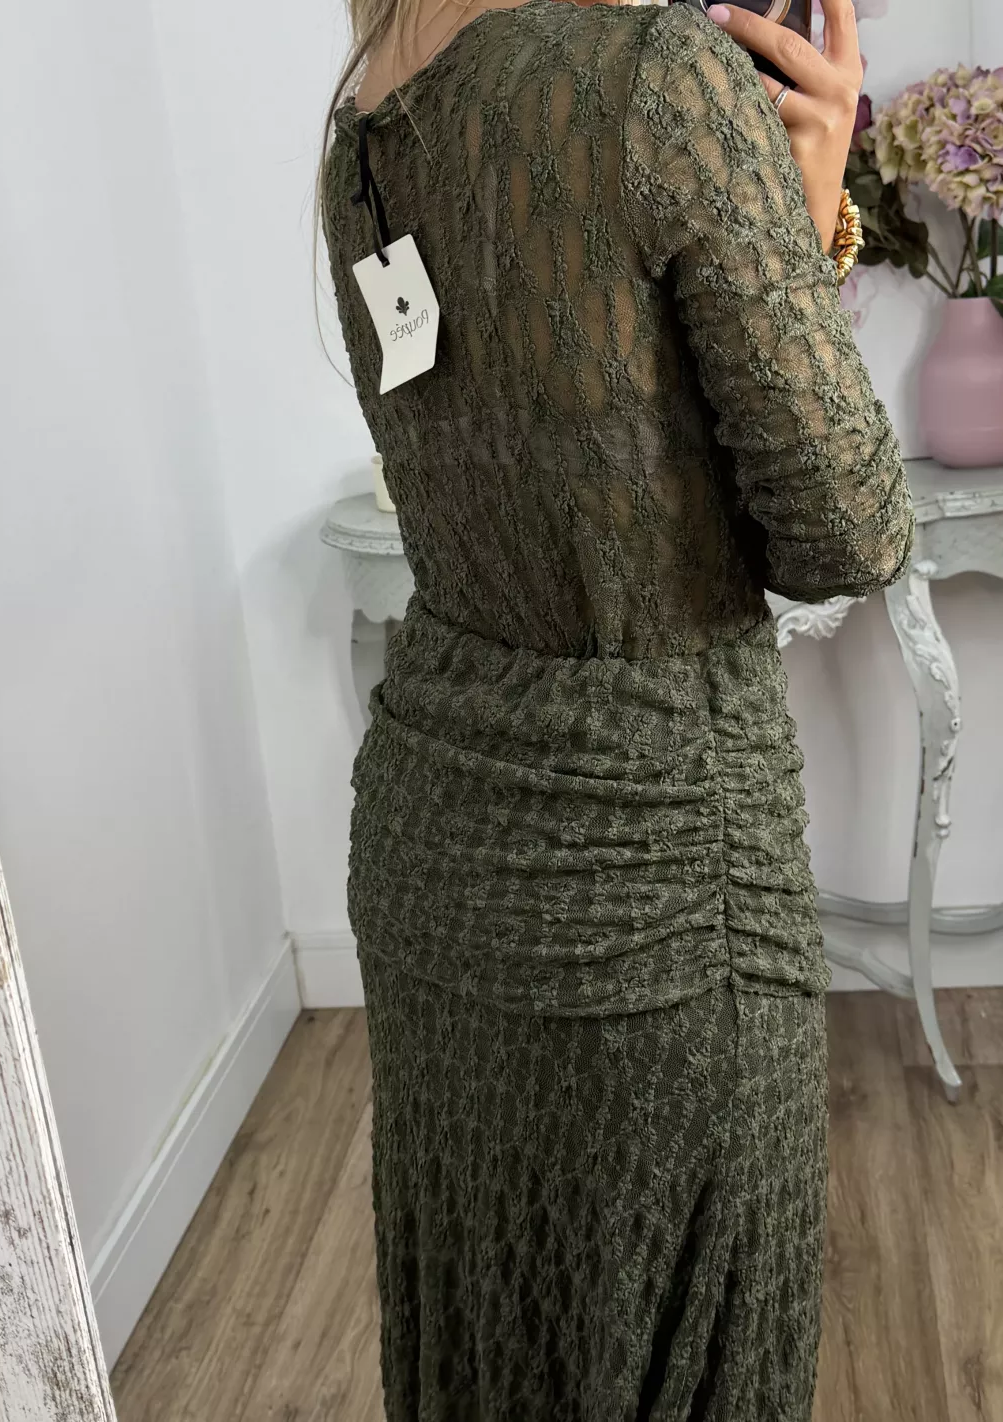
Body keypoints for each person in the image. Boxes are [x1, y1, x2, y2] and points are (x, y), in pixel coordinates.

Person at [318, 1, 912, 1416]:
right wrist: (812, 221)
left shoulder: (366, 117)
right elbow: (849, 530)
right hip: (656, 900)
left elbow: (580, 471)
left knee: (493, 1364)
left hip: (432, 871)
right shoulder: (661, 80)